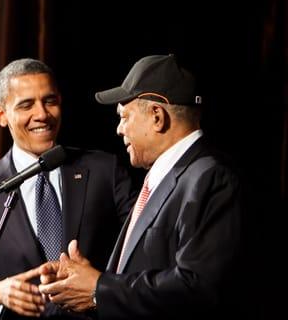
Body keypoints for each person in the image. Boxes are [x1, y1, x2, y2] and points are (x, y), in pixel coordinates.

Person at [38, 54, 246, 320]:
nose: (119, 129)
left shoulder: (211, 177)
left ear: (157, 117)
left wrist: (99, 289)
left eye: (124, 117)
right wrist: (86, 284)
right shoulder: (161, 177)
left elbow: (198, 287)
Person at [0, 58, 136, 319]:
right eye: (26, 105)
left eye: (49, 101)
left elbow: (145, 254)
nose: (42, 114)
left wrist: (100, 285)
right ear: (1, 115)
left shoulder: (104, 170)